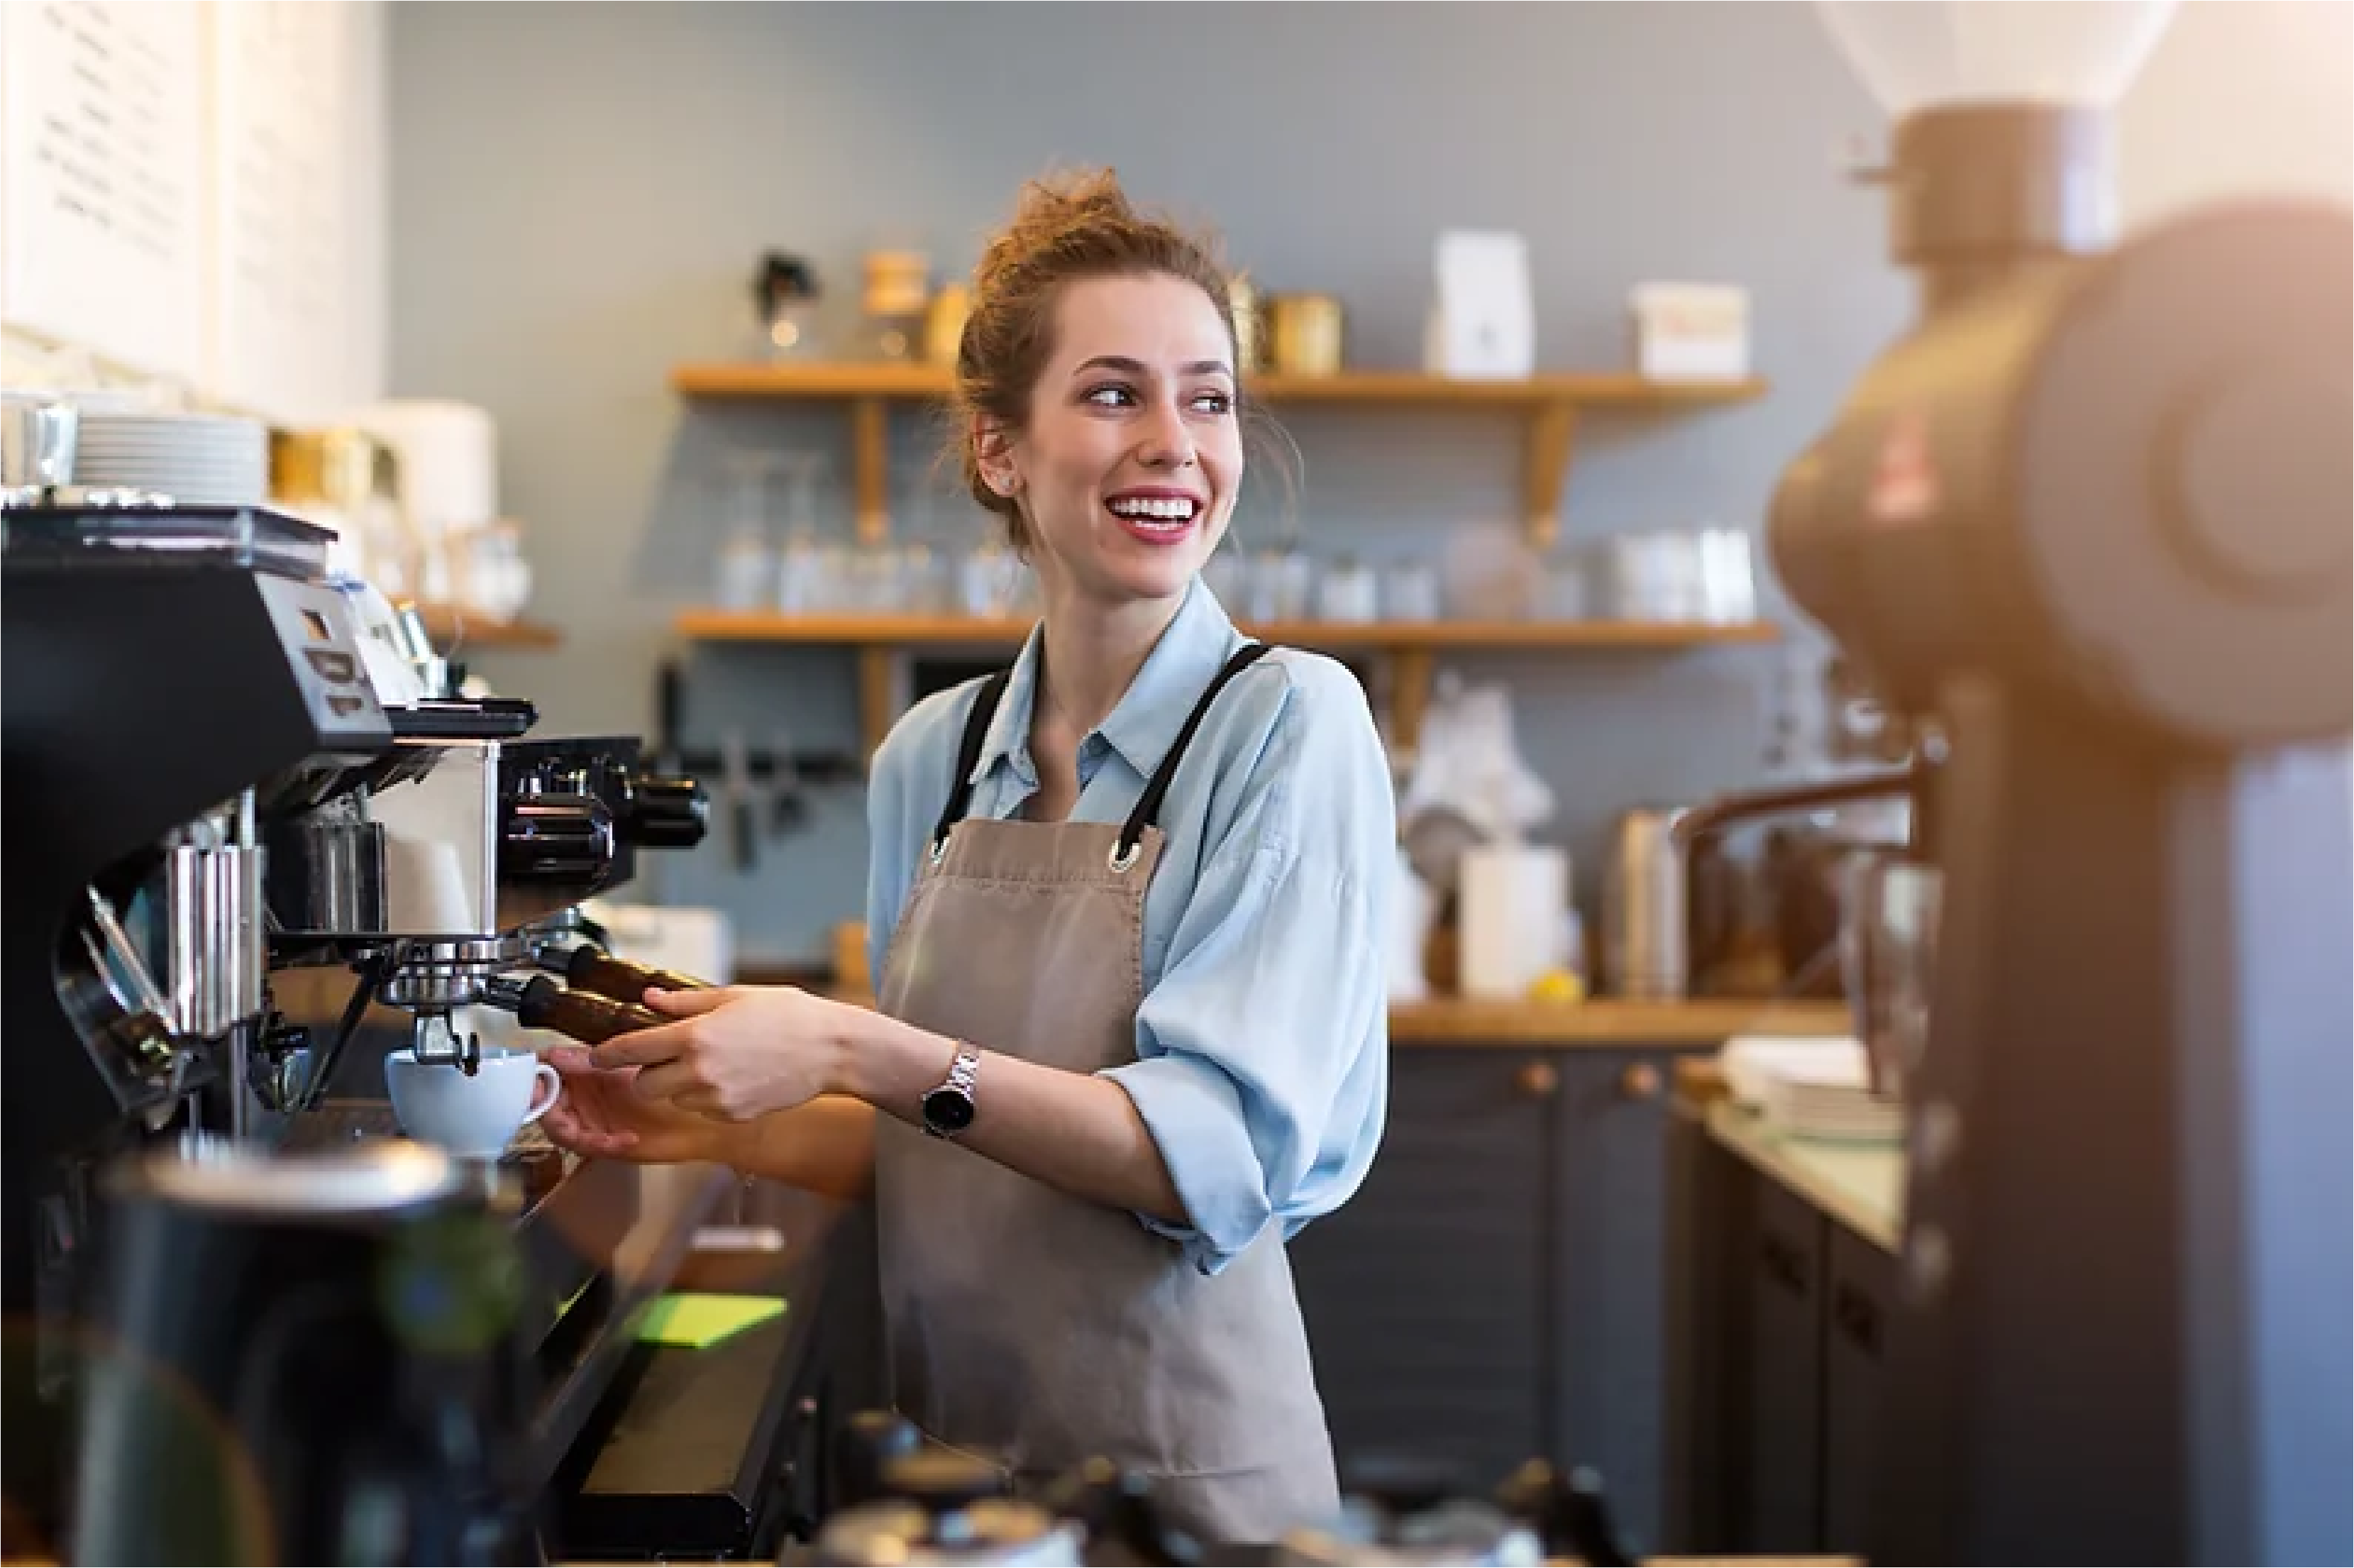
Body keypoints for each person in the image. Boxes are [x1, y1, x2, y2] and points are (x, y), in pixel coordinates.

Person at [539, 167, 1396, 1544]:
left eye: (1210, 395)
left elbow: (1212, 1158)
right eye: (1116, 393)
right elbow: (942, 1144)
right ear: (1001, 450)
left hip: (1180, 1491)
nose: (1177, 441)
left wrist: (847, 1048)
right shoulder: (931, 754)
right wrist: (702, 1119)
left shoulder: (1289, 722)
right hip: (953, 1479)